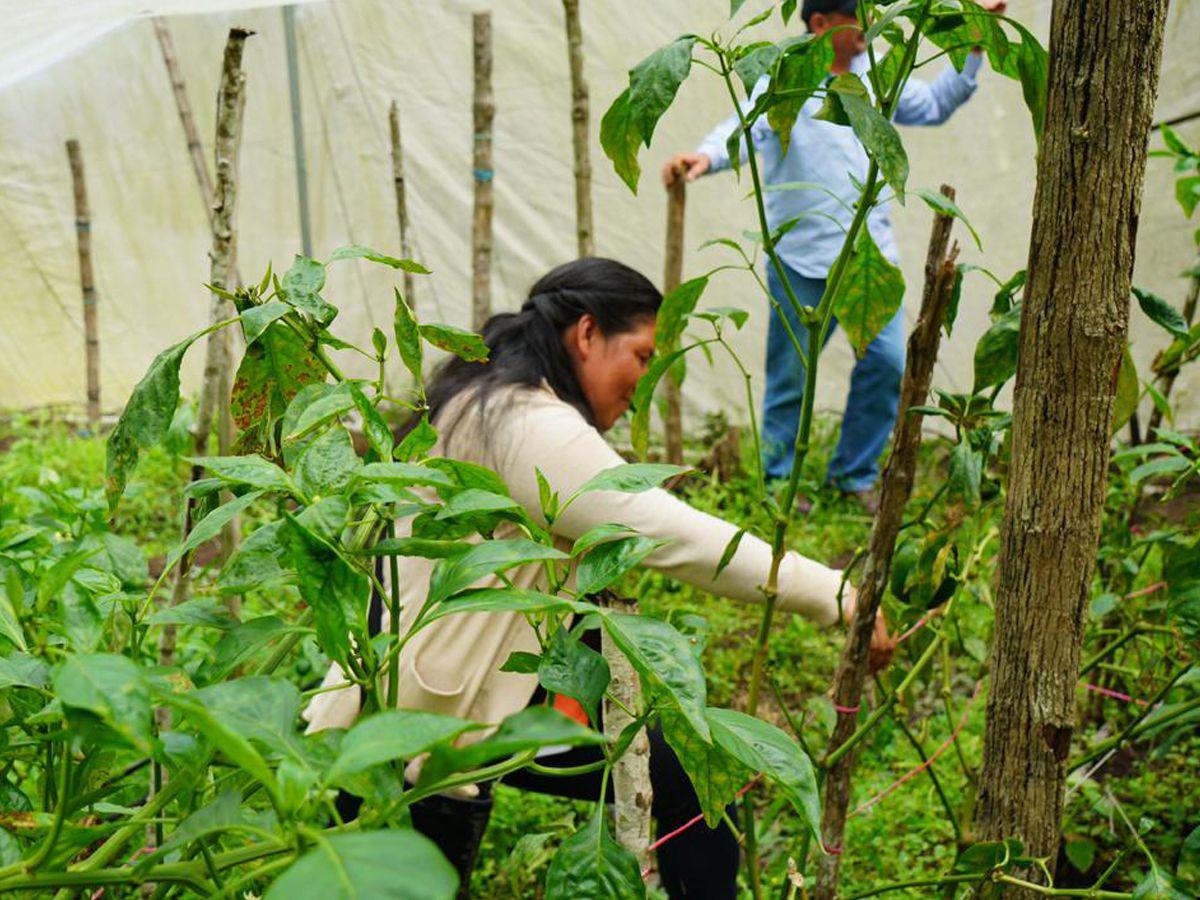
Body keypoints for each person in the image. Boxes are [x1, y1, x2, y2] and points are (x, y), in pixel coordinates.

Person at [304, 258, 893, 899]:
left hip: (438, 684)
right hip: (434, 710)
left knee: (685, 777)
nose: (642, 381)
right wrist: (838, 596)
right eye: (640, 355)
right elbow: (675, 536)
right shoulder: (529, 424)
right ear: (586, 335)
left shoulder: (486, 395)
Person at [663, 0, 1005, 511]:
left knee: (888, 364)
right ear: (821, 24)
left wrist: (977, 41)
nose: (870, 25)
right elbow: (743, 127)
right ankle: (780, 483)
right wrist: (704, 158)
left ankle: (854, 475)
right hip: (798, 256)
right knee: (789, 377)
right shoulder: (788, 77)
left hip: (869, 260)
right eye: (857, 15)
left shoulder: (878, 76)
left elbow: (934, 104)